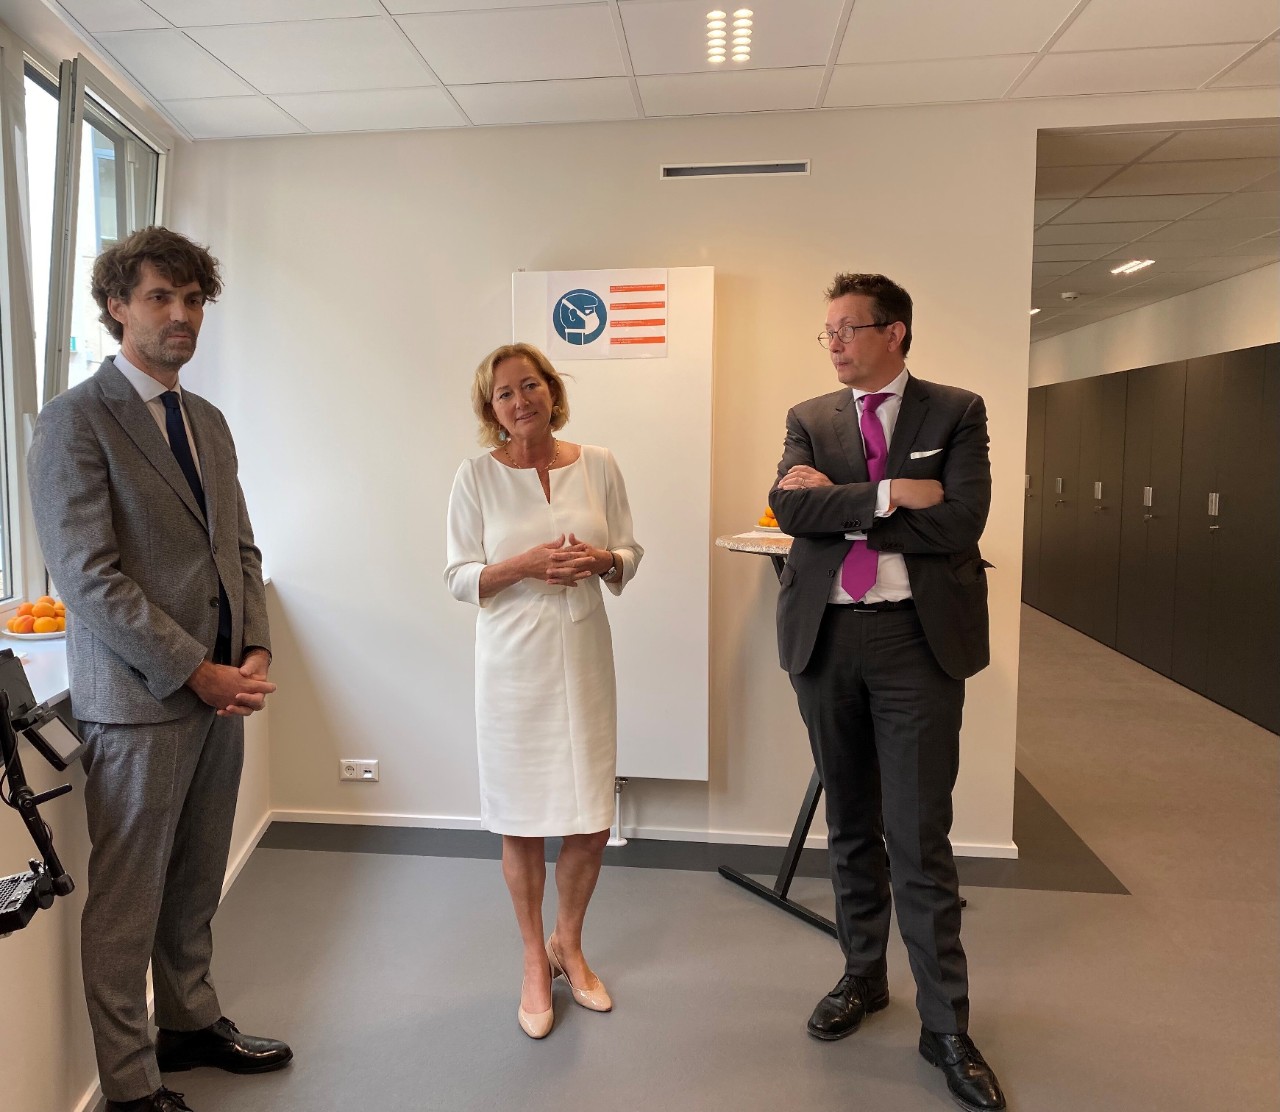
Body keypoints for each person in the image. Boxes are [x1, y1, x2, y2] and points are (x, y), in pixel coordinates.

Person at [28, 227, 289, 1112]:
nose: (180, 317)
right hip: (138, 706)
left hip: (220, 697)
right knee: (127, 904)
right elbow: (88, 577)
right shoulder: (71, 421)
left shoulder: (204, 420)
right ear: (115, 305)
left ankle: (187, 1021)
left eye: (193, 301)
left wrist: (251, 648)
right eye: (159, 299)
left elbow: (241, 550)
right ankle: (131, 1084)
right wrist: (195, 670)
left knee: (194, 880)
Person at [769, 273, 1006, 1112]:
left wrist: (837, 506)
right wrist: (890, 494)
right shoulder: (810, 417)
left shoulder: (957, 410)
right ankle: (862, 976)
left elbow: (961, 520)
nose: (833, 341)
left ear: (895, 332)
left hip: (915, 640)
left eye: (848, 328)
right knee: (850, 824)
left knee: (918, 836)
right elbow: (784, 512)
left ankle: (945, 1024)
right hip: (827, 638)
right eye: (825, 330)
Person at [445, 342, 642, 1039]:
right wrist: (523, 565)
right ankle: (534, 960)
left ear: (551, 392)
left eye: (530, 386)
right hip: (511, 668)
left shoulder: (601, 464)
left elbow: (628, 553)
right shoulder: (475, 477)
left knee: (591, 818)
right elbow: (459, 577)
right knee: (523, 821)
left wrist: (604, 560)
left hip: (585, 655)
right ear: (489, 409)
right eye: (504, 393)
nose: (520, 400)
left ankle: (570, 944)